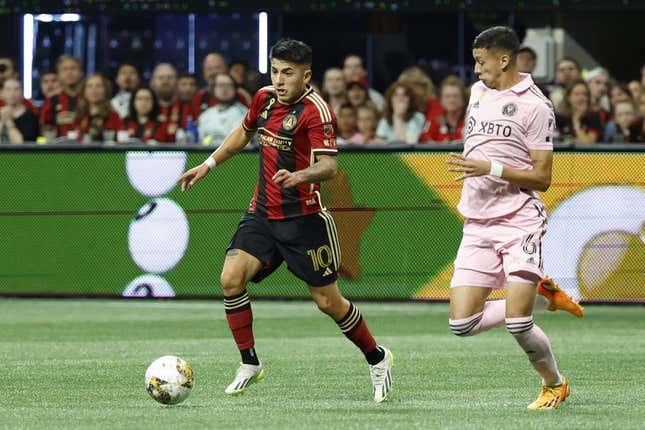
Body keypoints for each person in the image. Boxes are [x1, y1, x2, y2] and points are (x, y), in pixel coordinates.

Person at [177, 38, 393, 402]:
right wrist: (208, 164)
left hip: (304, 221)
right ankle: (249, 363)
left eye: (287, 73)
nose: (279, 79)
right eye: (275, 71)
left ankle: (378, 357)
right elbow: (243, 133)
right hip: (262, 213)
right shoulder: (263, 99)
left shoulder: (316, 112)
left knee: (329, 303)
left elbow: (329, 165)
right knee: (230, 279)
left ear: (306, 75)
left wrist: (300, 176)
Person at [445, 26, 583, 411]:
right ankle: (542, 292)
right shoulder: (478, 92)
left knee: (518, 323)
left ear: (503, 60)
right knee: (462, 324)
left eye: (480, 61)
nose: (476, 70)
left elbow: (543, 178)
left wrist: (489, 167)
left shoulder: (535, 106)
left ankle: (554, 384)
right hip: (477, 221)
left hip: (519, 219)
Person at [192, 52, 251, 119]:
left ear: (226, 69)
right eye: (209, 69)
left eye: (217, 67)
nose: (213, 72)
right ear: (204, 73)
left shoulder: (240, 95)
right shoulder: (199, 96)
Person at [197, 73, 247, 146]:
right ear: (213, 89)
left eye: (228, 85)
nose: (224, 89)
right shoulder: (205, 115)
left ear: (235, 89)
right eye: (220, 85)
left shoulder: (244, 113)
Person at [40, 55, 83, 137]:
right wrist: (55, 121)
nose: (69, 72)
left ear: (81, 72)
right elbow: (43, 128)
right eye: (65, 69)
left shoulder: (90, 97)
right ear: (58, 75)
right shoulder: (52, 100)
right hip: (59, 147)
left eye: (73, 68)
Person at [71, 73, 123, 142]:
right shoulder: (78, 116)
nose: (94, 90)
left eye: (99, 86)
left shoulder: (114, 116)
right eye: (90, 86)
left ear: (106, 90)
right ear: (84, 91)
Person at [420, 75, 467, 143]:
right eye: (447, 96)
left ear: (463, 99)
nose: (451, 100)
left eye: (455, 96)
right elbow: (424, 139)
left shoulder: (470, 119)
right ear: (441, 100)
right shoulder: (435, 118)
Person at [0, 78, 39, 143]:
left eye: (16, 89)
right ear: (2, 93)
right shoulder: (1, 113)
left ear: (22, 92)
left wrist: (8, 121)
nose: (12, 93)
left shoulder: (30, 116)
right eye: (8, 89)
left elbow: (22, 145)